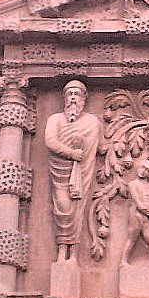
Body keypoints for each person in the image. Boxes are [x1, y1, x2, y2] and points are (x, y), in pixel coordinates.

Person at [44, 80, 102, 262]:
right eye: (70, 94)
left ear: (85, 98)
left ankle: (73, 254)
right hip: (60, 171)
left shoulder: (92, 122)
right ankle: (62, 249)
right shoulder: (55, 119)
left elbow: (98, 146)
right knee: (62, 208)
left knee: (77, 210)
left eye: (77, 94)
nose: (73, 98)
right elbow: (50, 141)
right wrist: (71, 153)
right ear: (64, 98)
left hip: (82, 172)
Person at [120, 160, 149, 267]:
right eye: (142, 167)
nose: (143, 171)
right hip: (137, 215)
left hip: (146, 217)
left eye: (147, 170)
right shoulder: (133, 184)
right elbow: (139, 205)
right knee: (132, 238)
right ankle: (123, 261)